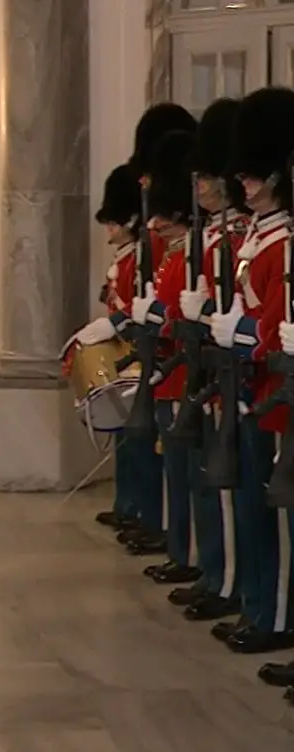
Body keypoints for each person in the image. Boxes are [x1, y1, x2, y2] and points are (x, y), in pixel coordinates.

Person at [208, 86, 294, 655]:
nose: (244, 181)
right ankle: (260, 605)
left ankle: (278, 617)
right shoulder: (258, 238)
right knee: (250, 508)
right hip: (252, 389)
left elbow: (274, 322)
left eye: (254, 173)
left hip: (277, 398)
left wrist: (243, 332)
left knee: (279, 522)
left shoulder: (280, 241)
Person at [131, 128, 220, 585]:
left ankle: (203, 565)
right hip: (173, 374)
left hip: (198, 377)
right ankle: (184, 553)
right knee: (180, 476)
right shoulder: (177, 252)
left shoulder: (200, 248)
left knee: (205, 484)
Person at [172, 97, 249, 622]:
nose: (198, 189)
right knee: (211, 483)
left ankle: (243, 593)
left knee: (238, 496)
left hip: (249, 383)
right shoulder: (223, 236)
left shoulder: (248, 237)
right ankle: (221, 579)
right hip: (215, 376)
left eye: (206, 179)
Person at [77, 163, 165, 545]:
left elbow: (149, 306)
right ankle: (129, 504)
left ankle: (145, 511)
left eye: (113, 221)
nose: (108, 228)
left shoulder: (147, 253)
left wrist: (119, 322)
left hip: (144, 357)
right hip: (127, 355)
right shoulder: (129, 256)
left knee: (141, 441)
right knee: (127, 437)